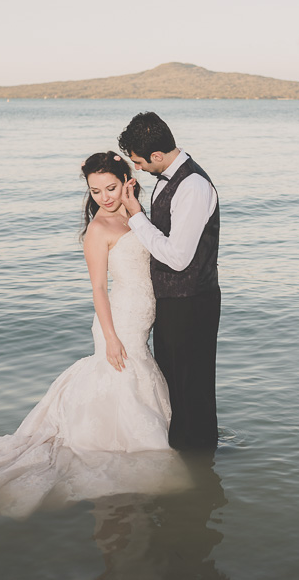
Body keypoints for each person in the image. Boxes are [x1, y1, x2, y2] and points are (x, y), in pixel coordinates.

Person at [0, 152, 188, 518]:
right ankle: (121, 461)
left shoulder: (135, 214)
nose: (104, 196)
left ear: (126, 180)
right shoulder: (99, 229)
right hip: (118, 320)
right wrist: (111, 337)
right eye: (96, 190)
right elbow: (99, 289)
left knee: (137, 378)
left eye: (112, 187)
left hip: (141, 315)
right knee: (121, 380)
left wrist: (134, 206)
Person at [118, 112, 220, 450]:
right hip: (172, 300)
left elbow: (178, 256)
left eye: (138, 162)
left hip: (191, 300)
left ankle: (200, 457)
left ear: (157, 156)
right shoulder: (168, 178)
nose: (138, 168)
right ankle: (187, 459)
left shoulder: (192, 185)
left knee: (193, 388)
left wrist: (135, 217)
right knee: (175, 385)